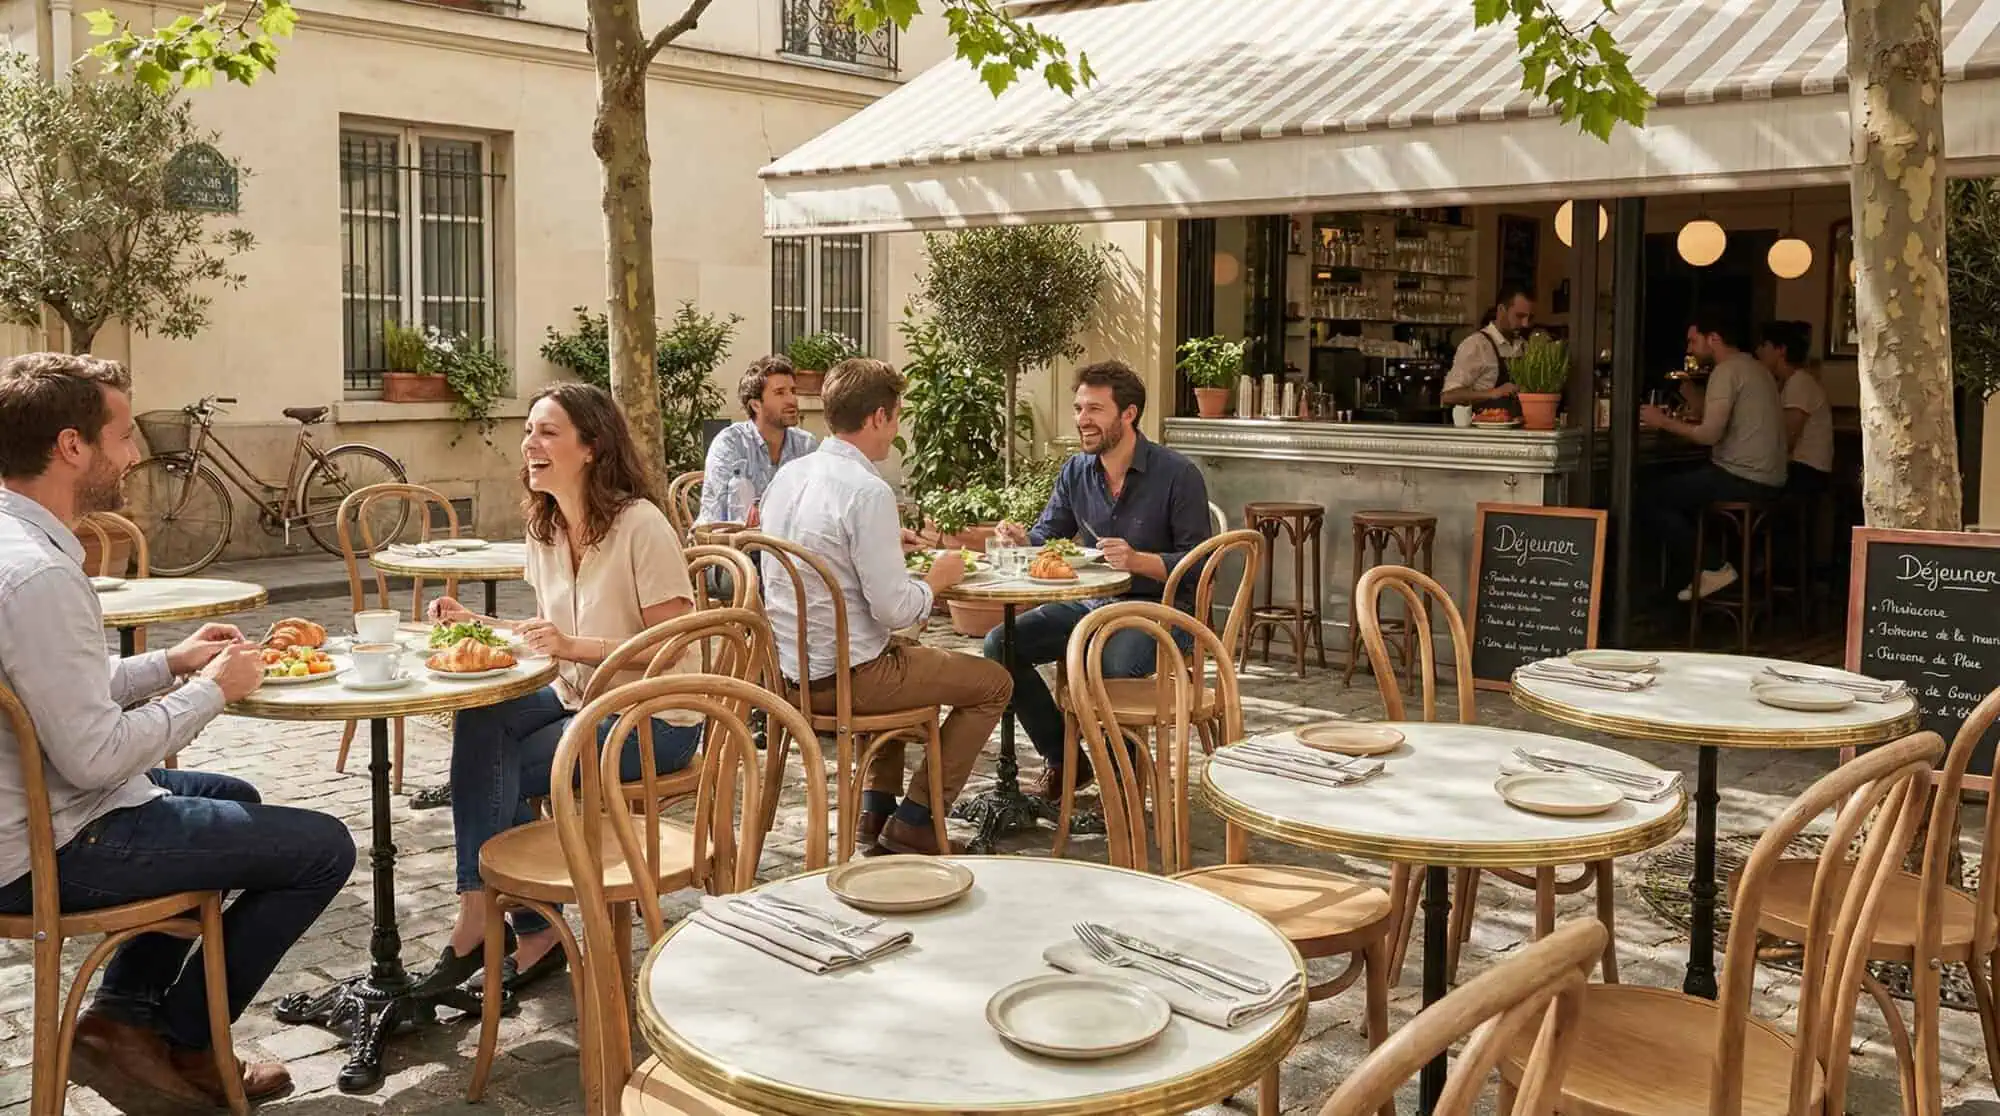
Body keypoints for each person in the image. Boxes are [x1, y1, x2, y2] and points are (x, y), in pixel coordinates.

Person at [0, 353, 354, 1105]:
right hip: (44, 847)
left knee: (235, 795)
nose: (134, 455)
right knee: (324, 848)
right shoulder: (40, 575)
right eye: (122, 435)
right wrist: (210, 691)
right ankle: (191, 1046)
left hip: (34, 806)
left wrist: (170, 663)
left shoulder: (14, 544)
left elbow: (55, 691)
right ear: (71, 446)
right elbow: (95, 756)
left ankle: (124, 1022)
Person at [419, 382, 702, 995]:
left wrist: (574, 646)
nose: (531, 444)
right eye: (528, 431)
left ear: (591, 446)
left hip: (653, 717)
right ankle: (505, 920)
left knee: (496, 769)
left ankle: (506, 926)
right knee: (482, 715)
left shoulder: (640, 524)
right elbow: (547, 634)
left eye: (548, 432)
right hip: (579, 695)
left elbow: (675, 644)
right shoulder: (544, 526)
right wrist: (478, 624)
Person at [759, 358, 1011, 856]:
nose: (896, 430)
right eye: (896, 417)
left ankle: (875, 810)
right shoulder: (867, 490)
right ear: (878, 417)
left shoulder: (789, 476)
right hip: (847, 681)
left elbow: (820, 556)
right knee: (993, 683)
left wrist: (883, 545)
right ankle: (917, 820)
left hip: (789, 677)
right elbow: (896, 609)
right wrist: (937, 580)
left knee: (894, 650)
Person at [988, 361, 1213, 799]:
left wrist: (1139, 561)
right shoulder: (1076, 471)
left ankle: (1122, 788)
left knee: (1109, 660)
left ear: (1128, 414)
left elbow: (1201, 565)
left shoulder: (1177, 474)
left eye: (1094, 409)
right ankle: (1065, 762)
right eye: (1079, 408)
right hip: (1092, 604)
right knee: (1002, 644)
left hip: (1161, 611)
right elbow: (1048, 535)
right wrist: (1022, 540)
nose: (1082, 419)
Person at [1639, 310, 1789, 601]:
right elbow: (1725, 420)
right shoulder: (1756, 368)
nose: (1689, 349)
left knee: (1650, 497)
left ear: (1714, 339)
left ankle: (1712, 567)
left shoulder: (1726, 371)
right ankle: (1701, 572)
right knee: (1683, 494)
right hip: (1771, 480)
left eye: (1693, 341)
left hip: (1744, 479)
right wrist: (1692, 396)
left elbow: (1709, 435)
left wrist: (1662, 421)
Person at [697, 355, 816, 526]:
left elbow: (815, 505)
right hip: (726, 539)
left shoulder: (805, 445)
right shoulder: (730, 443)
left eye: (793, 391)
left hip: (782, 540)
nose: (792, 400)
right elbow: (727, 514)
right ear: (755, 405)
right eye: (780, 393)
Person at [1755, 320, 1834, 496]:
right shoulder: (1789, 382)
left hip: (1806, 472)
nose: (1758, 351)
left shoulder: (1800, 383)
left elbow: (1787, 438)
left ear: (1781, 350)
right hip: (1798, 469)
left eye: (1764, 345)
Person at [1440, 285, 1534, 408]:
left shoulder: (1525, 346)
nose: (1525, 324)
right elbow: (1448, 396)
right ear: (1501, 309)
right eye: (1519, 316)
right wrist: (1493, 393)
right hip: (1485, 418)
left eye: (1529, 318)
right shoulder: (1476, 345)